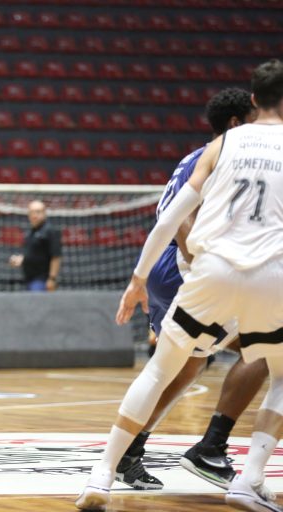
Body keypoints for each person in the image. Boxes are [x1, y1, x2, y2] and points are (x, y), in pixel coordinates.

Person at [76, 59, 283, 512]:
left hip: (206, 269)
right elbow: (181, 221)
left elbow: (168, 217)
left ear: (255, 99)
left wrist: (138, 277)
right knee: (264, 364)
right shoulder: (241, 146)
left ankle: (104, 471)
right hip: (245, 271)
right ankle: (242, 471)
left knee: (171, 367)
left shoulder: (220, 146)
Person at [115, 88, 268, 492]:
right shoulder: (218, 157)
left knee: (184, 366)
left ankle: (128, 450)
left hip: (170, 268)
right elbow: (181, 219)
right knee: (263, 347)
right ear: (236, 123)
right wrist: (202, 270)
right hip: (183, 267)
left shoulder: (205, 155)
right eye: (256, 117)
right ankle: (210, 446)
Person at [8, 200, 61, 291]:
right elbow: (34, 254)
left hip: (42, 280)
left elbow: (56, 257)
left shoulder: (49, 231)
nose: (34, 215)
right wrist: (22, 260)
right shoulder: (31, 232)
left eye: (38, 212)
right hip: (29, 278)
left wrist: (52, 279)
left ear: (44, 213)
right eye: (32, 212)